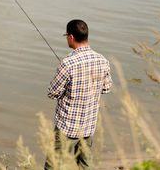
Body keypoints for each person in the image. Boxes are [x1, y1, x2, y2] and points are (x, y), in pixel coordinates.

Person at [45, 19, 112, 170]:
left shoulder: (67, 63)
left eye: (66, 36)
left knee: (52, 166)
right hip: (88, 126)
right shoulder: (103, 60)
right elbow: (106, 88)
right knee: (84, 166)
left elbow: (52, 93)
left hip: (66, 127)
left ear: (71, 37)